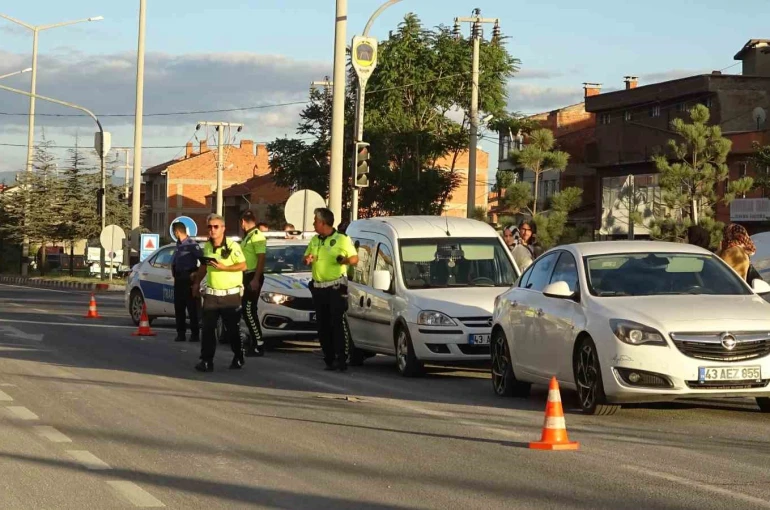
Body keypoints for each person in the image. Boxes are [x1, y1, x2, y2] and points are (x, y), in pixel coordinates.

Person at [303, 208, 359, 371]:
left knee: (336, 322)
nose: (313, 223)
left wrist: (345, 260)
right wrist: (308, 259)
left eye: (315, 221)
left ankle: (341, 358)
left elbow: (354, 259)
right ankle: (329, 358)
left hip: (335, 287)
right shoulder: (315, 240)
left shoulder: (341, 239)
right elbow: (306, 258)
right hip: (319, 288)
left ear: (323, 222)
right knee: (322, 324)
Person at [192, 213, 247, 372]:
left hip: (230, 295)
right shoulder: (208, 246)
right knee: (208, 329)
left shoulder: (232, 246)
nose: (212, 230)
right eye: (210, 227)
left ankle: (238, 356)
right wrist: (196, 283)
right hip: (212, 295)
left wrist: (225, 268)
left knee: (232, 330)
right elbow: (204, 266)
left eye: (216, 227)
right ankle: (206, 361)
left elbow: (243, 265)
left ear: (223, 228)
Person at [240, 210, 267, 357]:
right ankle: (255, 341)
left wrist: (256, 279)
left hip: (252, 276)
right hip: (246, 275)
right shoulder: (248, 237)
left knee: (249, 309)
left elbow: (261, 258)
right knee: (247, 310)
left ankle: (259, 343)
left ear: (243, 221)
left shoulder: (257, 236)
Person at [170, 222, 202, 343]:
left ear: (177, 232)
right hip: (178, 279)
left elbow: (202, 261)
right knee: (179, 307)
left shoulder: (192, 244)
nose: (174, 234)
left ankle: (194, 334)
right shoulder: (178, 244)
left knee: (191, 308)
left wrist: (196, 274)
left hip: (188, 279)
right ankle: (181, 333)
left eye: (174, 232)